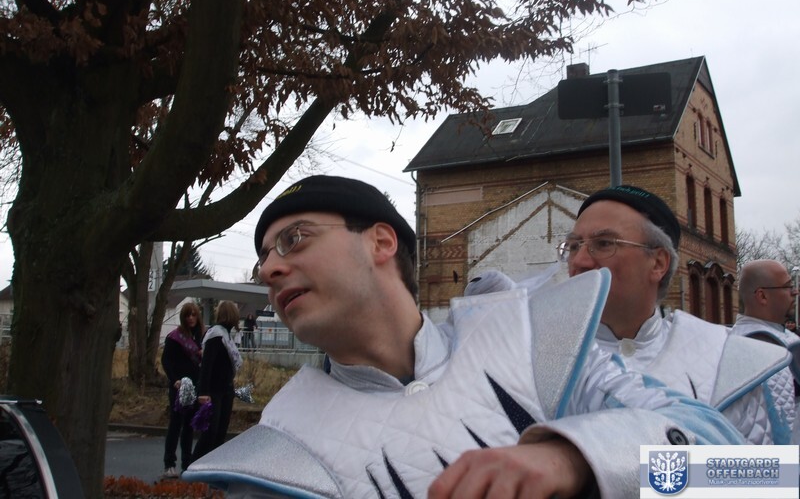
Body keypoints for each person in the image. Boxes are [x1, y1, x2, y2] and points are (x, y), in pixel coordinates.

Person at [185, 175, 744, 498]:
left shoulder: (538, 340)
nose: (269, 269)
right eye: (263, 258)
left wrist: (574, 461)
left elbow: (745, 474)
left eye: (294, 239)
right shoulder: (280, 454)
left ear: (381, 242)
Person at [466, 185, 792, 445]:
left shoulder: (732, 361)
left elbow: (765, 480)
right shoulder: (524, 358)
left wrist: (593, 470)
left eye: (604, 243)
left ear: (658, 263)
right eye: (574, 246)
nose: (579, 261)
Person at [731, 259, 800, 442]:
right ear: (762, 296)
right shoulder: (741, 349)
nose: (795, 292)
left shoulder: (787, 339)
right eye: (787, 287)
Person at [191, 300, 243, 462]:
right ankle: (193, 465)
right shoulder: (216, 335)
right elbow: (207, 365)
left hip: (226, 389)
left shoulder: (226, 335)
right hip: (213, 390)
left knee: (220, 432)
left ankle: (212, 466)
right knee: (210, 432)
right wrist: (203, 391)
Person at [161, 302, 204, 477]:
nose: (191, 318)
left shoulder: (201, 337)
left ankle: (187, 463)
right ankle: (169, 464)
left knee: (189, 426)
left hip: (195, 386)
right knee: (175, 424)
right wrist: (174, 380)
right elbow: (166, 361)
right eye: (188, 315)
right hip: (179, 386)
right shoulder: (174, 337)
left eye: (194, 315)